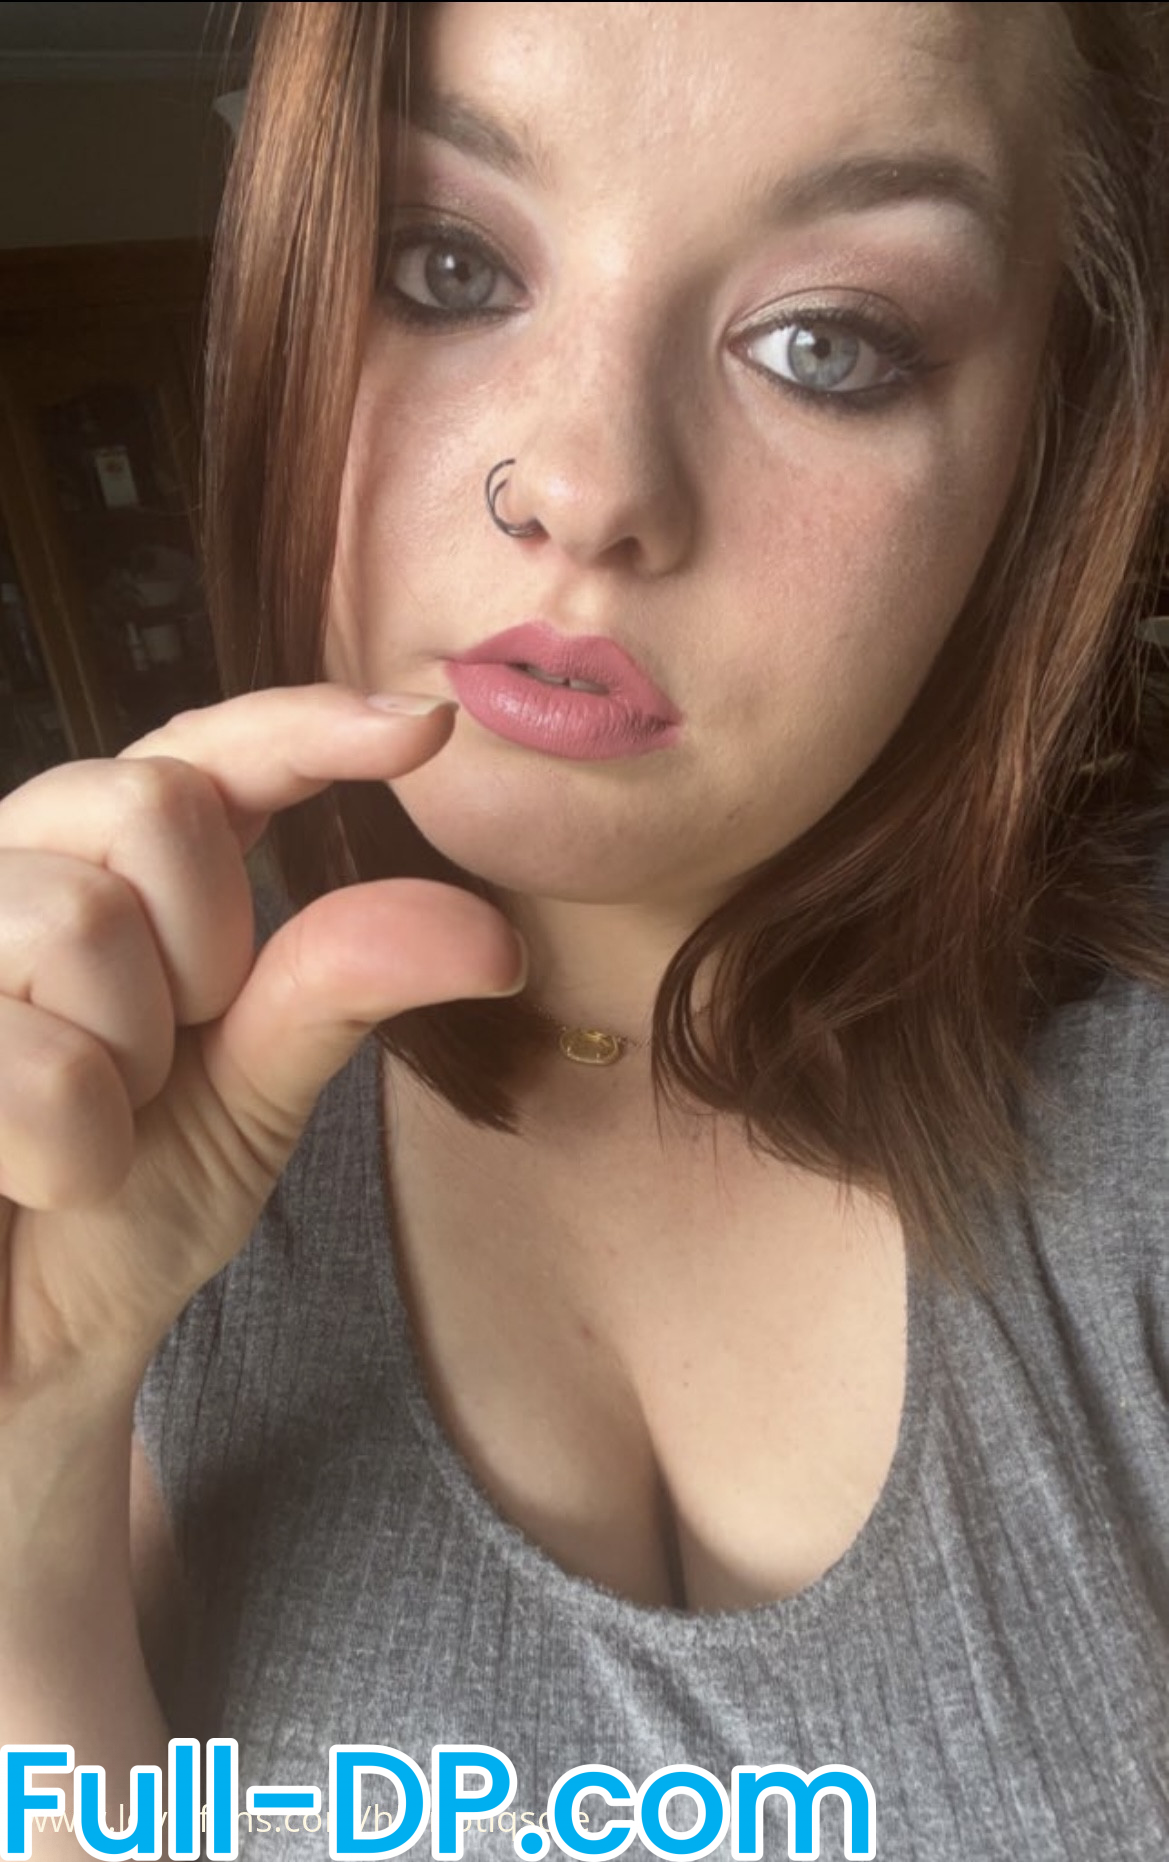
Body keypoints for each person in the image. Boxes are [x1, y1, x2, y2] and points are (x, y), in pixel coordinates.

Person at [1, 2, 1167, 1858]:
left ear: (1051, 433)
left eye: (828, 341)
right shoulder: (99, 1094)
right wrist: (29, 1443)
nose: (584, 485)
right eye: (446, 265)